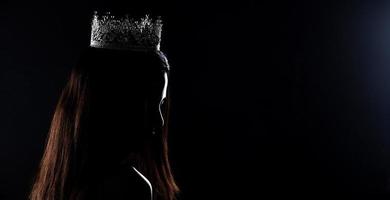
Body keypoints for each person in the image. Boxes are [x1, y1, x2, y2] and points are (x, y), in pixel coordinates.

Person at [29, 11, 180, 200]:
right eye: (148, 106)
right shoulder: (131, 187)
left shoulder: (56, 179)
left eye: (161, 104)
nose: (160, 121)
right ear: (116, 106)